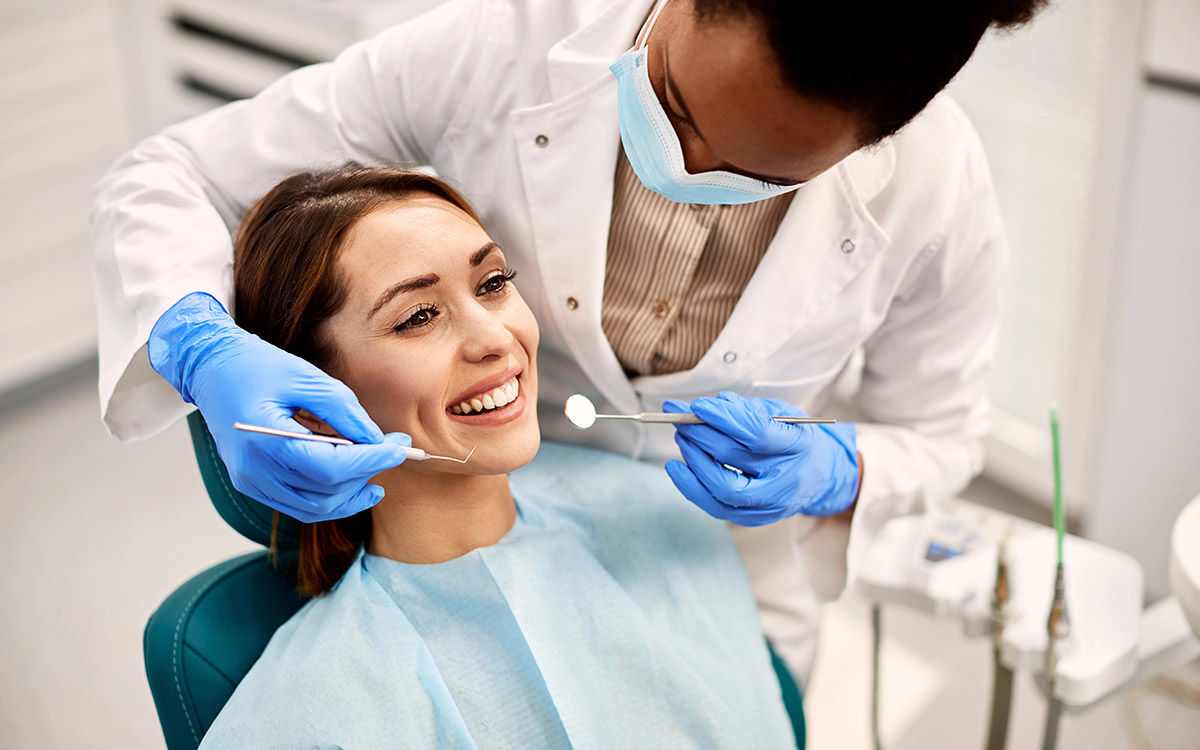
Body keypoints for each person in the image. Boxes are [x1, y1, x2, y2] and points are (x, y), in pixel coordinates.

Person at [91, 0, 1047, 681]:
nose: (685, 167)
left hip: (717, 582)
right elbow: (168, 174)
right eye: (672, 105)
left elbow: (942, 433)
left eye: (757, 174)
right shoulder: (510, 40)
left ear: (872, 145)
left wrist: (843, 468)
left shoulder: (935, 186)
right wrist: (198, 344)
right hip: (481, 525)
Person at [196, 165, 798, 748]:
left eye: (492, 283)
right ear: (308, 399)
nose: (495, 339)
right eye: (418, 317)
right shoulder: (315, 710)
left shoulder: (655, 512)